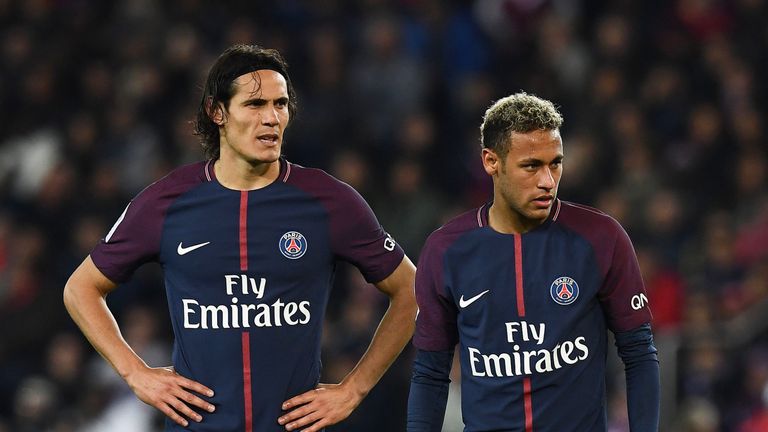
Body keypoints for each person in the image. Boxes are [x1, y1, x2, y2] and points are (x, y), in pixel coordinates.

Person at [63, 44, 417, 432]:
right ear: (218, 112)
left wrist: (353, 390)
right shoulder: (166, 202)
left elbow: (413, 290)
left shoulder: (328, 201)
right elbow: (81, 289)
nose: (272, 118)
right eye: (255, 105)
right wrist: (135, 373)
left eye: (280, 104)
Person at [407, 92, 660, 431]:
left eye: (555, 163)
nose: (548, 181)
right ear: (491, 162)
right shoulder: (446, 250)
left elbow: (640, 353)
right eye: (531, 166)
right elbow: (430, 373)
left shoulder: (601, 238)